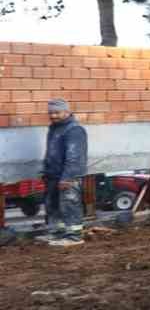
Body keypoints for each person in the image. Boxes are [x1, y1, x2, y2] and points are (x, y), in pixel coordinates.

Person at [41, 98, 88, 247]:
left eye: (57, 112)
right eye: (51, 113)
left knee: (69, 205)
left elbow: (74, 156)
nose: (53, 115)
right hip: (53, 175)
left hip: (67, 176)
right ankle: (58, 233)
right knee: (53, 205)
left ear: (67, 112)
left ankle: (74, 236)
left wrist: (67, 177)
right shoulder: (54, 128)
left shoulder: (74, 130)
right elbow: (51, 152)